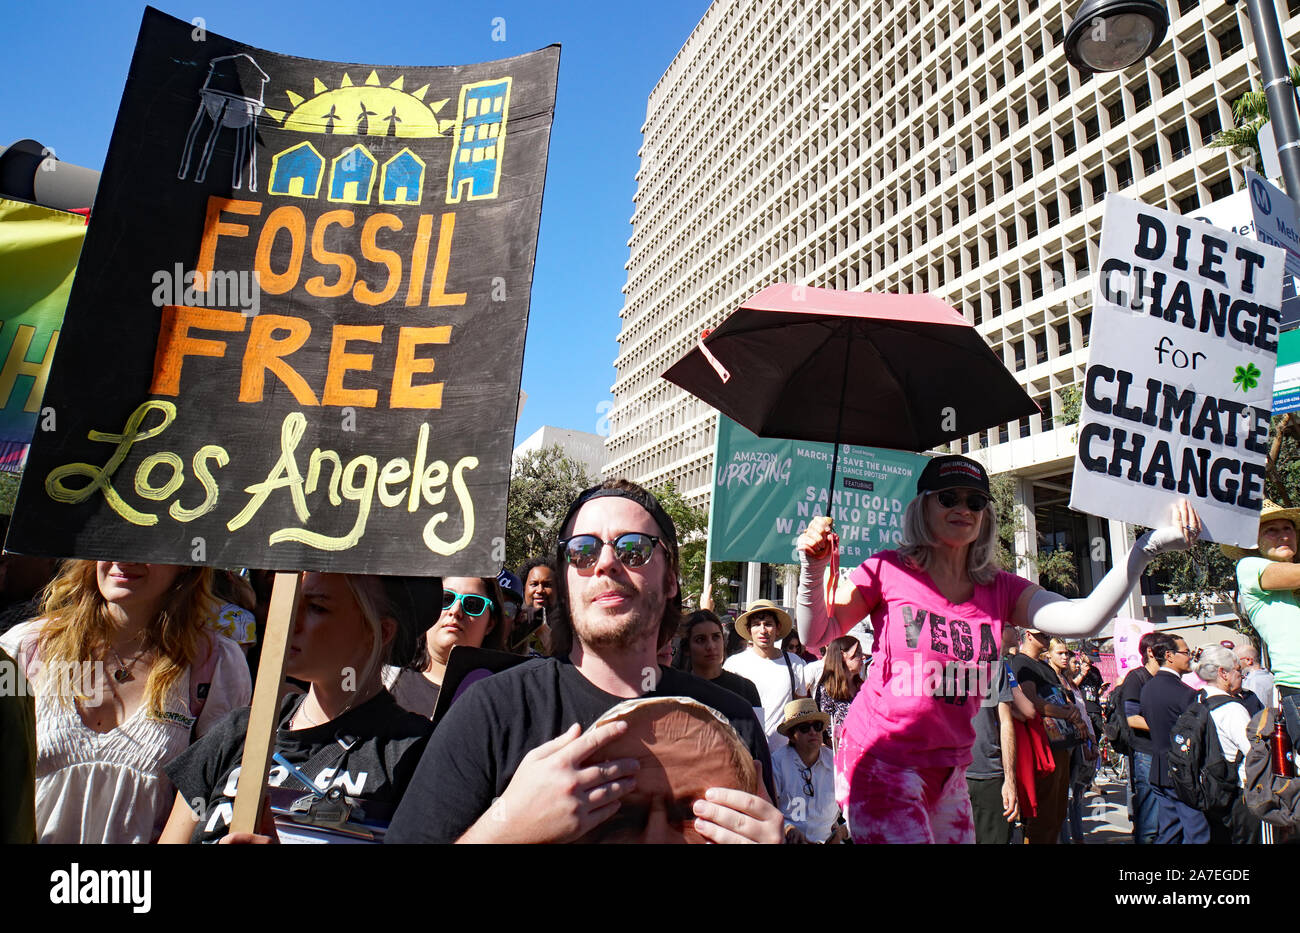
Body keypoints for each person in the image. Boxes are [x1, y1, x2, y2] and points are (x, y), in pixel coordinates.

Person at [796, 454, 1200, 844]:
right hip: (884, 759)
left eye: (976, 501)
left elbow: (1085, 619)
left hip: (950, 768)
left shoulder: (1001, 588)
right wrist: (813, 569)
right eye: (948, 497)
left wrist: (1148, 547)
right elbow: (816, 635)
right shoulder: (888, 569)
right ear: (922, 507)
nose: (964, 508)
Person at [386, 480, 783, 844]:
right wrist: (504, 828)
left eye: (634, 548)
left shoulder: (734, 722)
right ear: (566, 578)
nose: (605, 563)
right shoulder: (492, 710)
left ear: (671, 579)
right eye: (582, 551)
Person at [160, 573, 435, 843]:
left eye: (317, 608)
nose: (291, 620)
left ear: (380, 631)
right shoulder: (238, 732)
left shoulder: (414, 753)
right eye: (291, 603)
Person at [0, 561, 251, 843]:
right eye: (113, 543)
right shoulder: (24, 649)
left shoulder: (216, 665)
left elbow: (206, 797)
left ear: (183, 563)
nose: (124, 560)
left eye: (146, 547)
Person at [1223, 500, 1300, 739]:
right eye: (1272, 530)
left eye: (1288, 528)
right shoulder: (1249, 566)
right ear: (1256, 542)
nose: (1283, 536)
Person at [382, 576, 508, 718]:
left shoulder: (505, 698)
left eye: (472, 604)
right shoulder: (379, 679)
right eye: (446, 599)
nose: (455, 611)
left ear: (490, 624)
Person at [1139, 632, 1211, 844]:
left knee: (1169, 832)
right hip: (1182, 774)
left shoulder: (1148, 688)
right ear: (1169, 655)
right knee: (1196, 832)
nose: (1190, 657)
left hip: (1159, 770)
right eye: (1186, 652)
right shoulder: (1185, 693)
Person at [1013, 631, 1083, 844]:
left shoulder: (1044, 666)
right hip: (1044, 747)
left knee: (1057, 813)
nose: (1046, 638)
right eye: (1041, 635)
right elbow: (1030, 701)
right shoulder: (1021, 663)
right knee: (1044, 814)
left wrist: (1074, 715)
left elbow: (1061, 697)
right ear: (1028, 635)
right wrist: (1064, 713)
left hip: (1063, 744)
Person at [723, 599, 807, 753]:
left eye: (768, 624)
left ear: (778, 628)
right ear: (749, 630)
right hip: (746, 751)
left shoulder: (796, 663)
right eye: (756, 624)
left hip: (784, 756)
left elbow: (801, 708)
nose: (763, 630)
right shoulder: (733, 665)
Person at [1194, 645, 1258, 844]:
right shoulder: (1231, 708)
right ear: (1223, 672)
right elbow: (1254, 752)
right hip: (1237, 791)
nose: (1242, 676)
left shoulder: (1197, 700)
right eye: (1238, 670)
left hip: (1210, 789)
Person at [772, 699, 845, 843]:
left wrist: (842, 832)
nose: (813, 732)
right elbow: (769, 809)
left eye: (817, 726)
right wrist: (787, 828)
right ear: (792, 736)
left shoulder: (836, 761)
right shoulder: (778, 762)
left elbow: (855, 808)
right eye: (805, 728)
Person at [1050, 640, 1097, 844]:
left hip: (1080, 741)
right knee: (1064, 797)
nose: (1065, 657)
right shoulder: (1051, 680)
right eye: (1060, 653)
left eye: (1067, 653)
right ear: (1048, 655)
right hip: (1063, 743)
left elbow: (1083, 712)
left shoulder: (1069, 682)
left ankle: (1078, 838)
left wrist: (1091, 738)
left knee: (1076, 795)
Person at [1119, 630, 1162, 843]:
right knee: (1149, 818)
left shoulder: (1164, 678)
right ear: (1151, 652)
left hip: (1164, 752)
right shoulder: (1137, 678)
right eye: (1167, 649)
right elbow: (1132, 718)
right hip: (1145, 753)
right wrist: (1164, 728)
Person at [672, 609, 761, 706]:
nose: (711, 646)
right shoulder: (675, 692)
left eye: (716, 637)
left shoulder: (745, 689)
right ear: (686, 649)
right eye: (700, 639)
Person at [813, 635, 863, 748]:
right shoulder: (826, 689)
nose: (863, 657)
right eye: (858, 653)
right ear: (842, 656)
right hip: (839, 751)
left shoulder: (862, 687)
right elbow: (825, 728)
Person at [1235, 644, 1275, 710]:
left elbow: (1254, 708)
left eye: (1236, 661)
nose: (1235, 665)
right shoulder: (1269, 675)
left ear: (1248, 660)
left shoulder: (1254, 681)